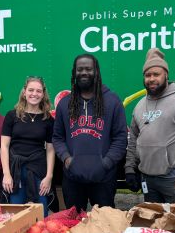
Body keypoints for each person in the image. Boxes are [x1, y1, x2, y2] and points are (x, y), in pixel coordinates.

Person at [125, 48, 175, 206]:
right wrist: (130, 167)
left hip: (174, 177)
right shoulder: (140, 105)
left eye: (156, 74)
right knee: (154, 226)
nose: (151, 79)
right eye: (147, 75)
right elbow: (133, 139)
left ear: (166, 75)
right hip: (148, 178)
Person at [53, 54, 128, 211]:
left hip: (103, 178)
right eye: (80, 69)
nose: (84, 72)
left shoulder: (112, 101)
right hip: (73, 178)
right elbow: (58, 138)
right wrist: (67, 159)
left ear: (96, 71)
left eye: (88, 69)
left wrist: (105, 163)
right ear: (74, 73)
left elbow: (120, 139)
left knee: (104, 227)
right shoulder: (65, 104)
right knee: (73, 224)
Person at [0, 76, 55, 216]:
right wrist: (6, 174)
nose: (34, 94)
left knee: (40, 213)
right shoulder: (12, 116)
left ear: (43, 94)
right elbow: (4, 146)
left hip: (38, 171)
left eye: (38, 91)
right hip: (15, 172)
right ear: (24, 92)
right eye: (31, 90)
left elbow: (50, 149)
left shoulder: (48, 119)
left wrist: (49, 176)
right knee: (15, 215)